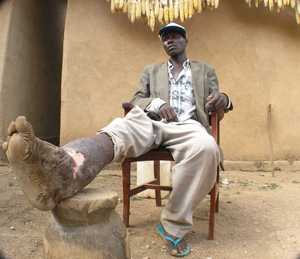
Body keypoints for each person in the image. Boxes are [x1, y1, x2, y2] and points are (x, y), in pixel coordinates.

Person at [2, 23, 232, 257]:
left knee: (206, 148)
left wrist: (223, 99)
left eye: (174, 36)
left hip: (188, 126)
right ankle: (61, 166)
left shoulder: (204, 70)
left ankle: (173, 225)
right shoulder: (151, 71)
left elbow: (219, 103)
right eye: (164, 38)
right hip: (151, 122)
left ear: (185, 40)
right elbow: (137, 99)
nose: (168, 41)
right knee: (119, 129)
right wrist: (156, 103)